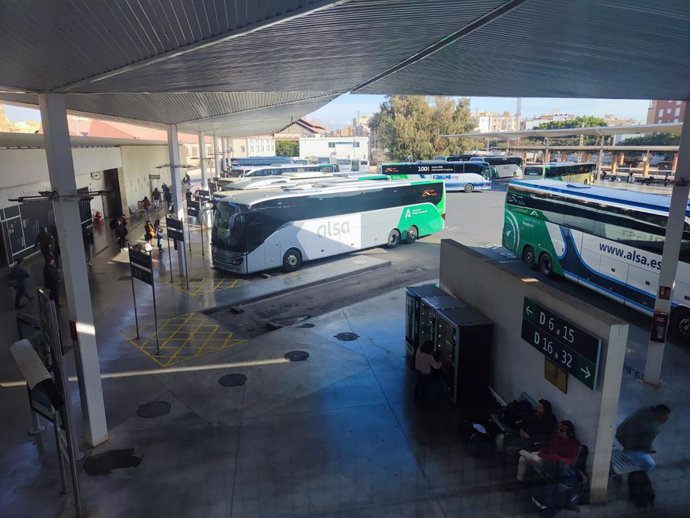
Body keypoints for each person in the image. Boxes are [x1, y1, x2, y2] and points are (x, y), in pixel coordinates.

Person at [616, 404, 670, 473]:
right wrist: (648, 450)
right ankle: (635, 475)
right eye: (665, 415)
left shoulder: (644, 411)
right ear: (659, 413)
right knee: (650, 464)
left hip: (620, 434)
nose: (667, 418)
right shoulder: (653, 427)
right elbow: (645, 445)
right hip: (629, 445)